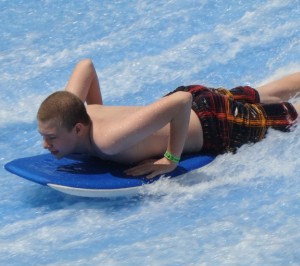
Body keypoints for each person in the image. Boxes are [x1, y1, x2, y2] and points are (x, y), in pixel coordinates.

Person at [37, 59, 300, 179]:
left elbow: (182, 102)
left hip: (215, 124)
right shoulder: (70, 109)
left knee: (292, 114)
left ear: (78, 128)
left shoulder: (108, 141)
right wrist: (101, 111)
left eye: (51, 138)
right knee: (263, 94)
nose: (45, 145)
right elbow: (85, 66)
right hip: (198, 102)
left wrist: (170, 160)